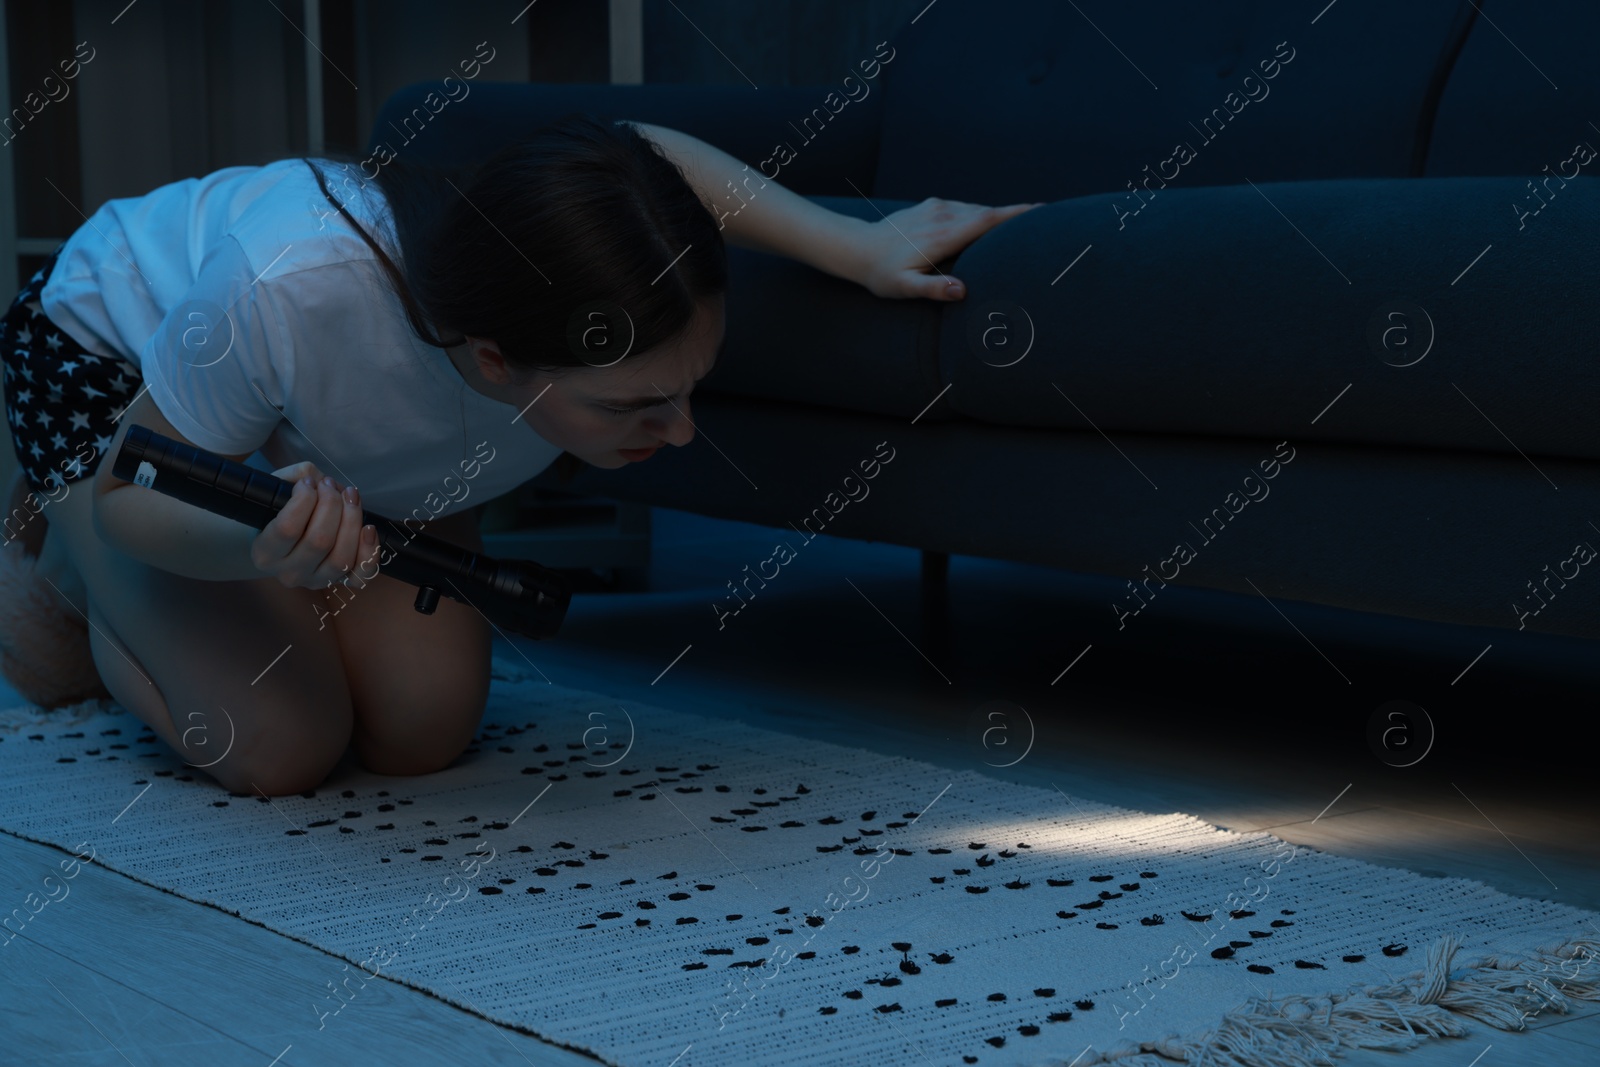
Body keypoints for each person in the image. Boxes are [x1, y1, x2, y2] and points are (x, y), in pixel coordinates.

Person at [0, 113, 1037, 794]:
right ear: (493, 361)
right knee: (278, 746)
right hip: (126, 402)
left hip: (338, 447)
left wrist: (854, 246)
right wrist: (257, 548)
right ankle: (69, 561)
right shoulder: (285, 285)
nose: (679, 432)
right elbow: (144, 484)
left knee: (419, 731)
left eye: (691, 386)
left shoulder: (549, 275)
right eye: (635, 403)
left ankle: (270, 585)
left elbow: (648, 156)